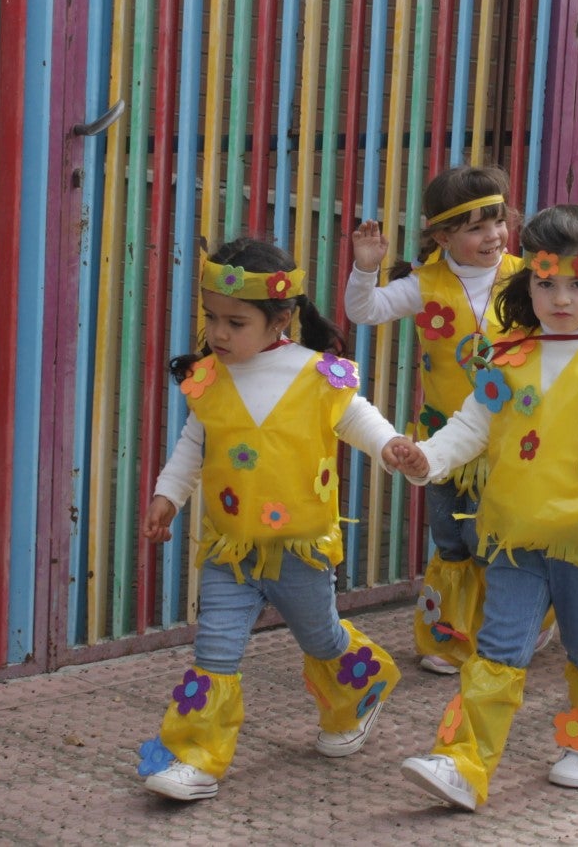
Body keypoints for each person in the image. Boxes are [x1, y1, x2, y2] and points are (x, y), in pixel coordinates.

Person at [391, 205, 578, 812]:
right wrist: (428, 460)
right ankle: (463, 763)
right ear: (527, 282)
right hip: (514, 536)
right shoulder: (507, 353)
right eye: (545, 283)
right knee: (496, 648)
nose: (560, 298)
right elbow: (473, 425)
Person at [136, 238, 413, 802]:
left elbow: (360, 420)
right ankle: (196, 758)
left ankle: (361, 689)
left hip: (301, 548)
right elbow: (196, 444)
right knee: (213, 653)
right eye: (211, 318)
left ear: (280, 319)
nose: (218, 333)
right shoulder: (208, 379)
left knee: (322, 640)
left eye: (235, 322)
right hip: (229, 549)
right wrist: (168, 495)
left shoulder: (319, 375)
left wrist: (391, 448)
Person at [346, 165, 551, 677]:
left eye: (498, 222)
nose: (493, 236)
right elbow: (364, 310)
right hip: (442, 441)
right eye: (476, 227)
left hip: (508, 441)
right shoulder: (424, 284)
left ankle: (514, 626)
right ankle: (448, 634)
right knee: (452, 541)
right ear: (442, 236)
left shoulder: (528, 280)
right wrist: (366, 268)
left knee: (492, 541)